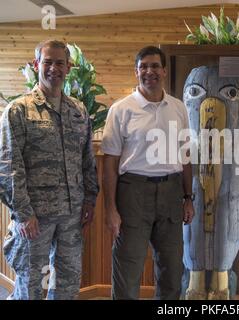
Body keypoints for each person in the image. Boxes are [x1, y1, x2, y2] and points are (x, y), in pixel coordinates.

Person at [0, 39, 99, 300]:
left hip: (71, 215)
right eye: (48, 62)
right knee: (31, 286)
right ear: (36, 65)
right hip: (35, 217)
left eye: (60, 63)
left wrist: (90, 198)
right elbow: (9, 166)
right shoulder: (18, 110)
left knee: (67, 284)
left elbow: (87, 159)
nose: (53, 68)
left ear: (68, 67)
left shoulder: (77, 110)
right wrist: (23, 213)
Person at [101, 46, 195, 300]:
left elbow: (186, 157)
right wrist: (110, 208)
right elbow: (110, 163)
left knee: (172, 269)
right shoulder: (121, 110)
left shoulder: (178, 108)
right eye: (143, 67)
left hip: (171, 192)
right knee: (128, 268)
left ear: (164, 71)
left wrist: (189, 197)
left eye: (155, 66)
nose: (149, 71)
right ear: (136, 72)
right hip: (133, 193)